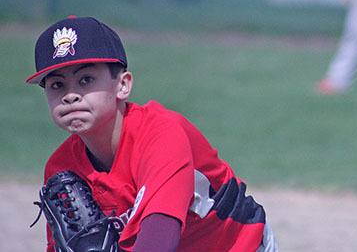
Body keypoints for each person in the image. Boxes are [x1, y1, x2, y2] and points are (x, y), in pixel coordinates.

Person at [26, 16, 278, 252]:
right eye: (57, 85)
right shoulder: (61, 169)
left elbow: (160, 237)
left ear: (122, 85)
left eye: (86, 80)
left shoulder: (161, 135)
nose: (70, 95)